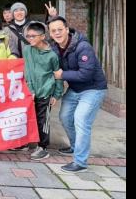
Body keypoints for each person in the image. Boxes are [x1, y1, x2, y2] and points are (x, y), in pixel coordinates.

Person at [48, 16, 108, 173]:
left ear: (67, 30)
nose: (57, 33)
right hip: (75, 89)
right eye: (53, 31)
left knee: (81, 120)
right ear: (50, 33)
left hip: (93, 89)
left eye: (60, 29)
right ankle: (75, 146)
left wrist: (62, 75)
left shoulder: (83, 47)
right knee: (65, 117)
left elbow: (86, 74)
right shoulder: (55, 48)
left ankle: (80, 162)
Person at [22, 21, 63, 160]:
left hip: (45, 92)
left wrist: (57, 94)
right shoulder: (27, 50)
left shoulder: (52, 55)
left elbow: (58, 75)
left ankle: (43, 148)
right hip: (31, 92)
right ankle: (26, 143)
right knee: (29, 118)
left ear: (42, 36)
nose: (30, 38)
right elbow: (27, 71)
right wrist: (30, 89)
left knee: (43, 120)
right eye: (28, 36)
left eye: (33, 36)